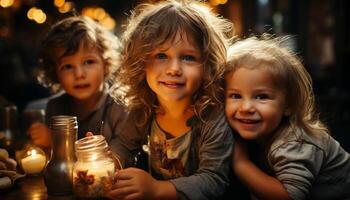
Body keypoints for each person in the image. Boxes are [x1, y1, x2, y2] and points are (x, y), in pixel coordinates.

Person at [106, 0, 235, 199]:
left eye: (188, 58)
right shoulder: (144, 108)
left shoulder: (213, 116)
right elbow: (124, 145)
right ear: (141, 63)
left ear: (207, 65)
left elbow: (213, 179)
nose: (174, 69)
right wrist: (108, 162)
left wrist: (156, 189)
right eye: (161, 55)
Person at [224, 36, 350, 199]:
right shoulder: (262, 134)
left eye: (262, 97)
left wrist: (241, 164)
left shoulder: (294, 142)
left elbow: (290, 196)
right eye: (235, 95)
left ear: (288, 105)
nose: (246, 107)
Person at [28, 15, 126, 154]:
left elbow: (120, 158)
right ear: (55, 72)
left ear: (106, 63)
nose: (79, 74)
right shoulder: (55, 108)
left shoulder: (119, 107)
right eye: (67, 66)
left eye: (89, 62)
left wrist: (56, 142)